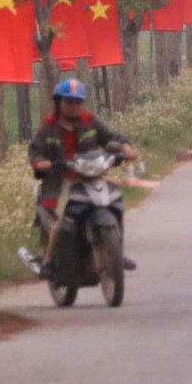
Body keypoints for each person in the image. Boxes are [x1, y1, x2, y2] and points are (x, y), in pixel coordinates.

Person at [29, 78, 138, 278]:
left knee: (115, 207)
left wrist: (126, 149)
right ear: (58, 102)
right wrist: (42, 163)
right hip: (63, 182)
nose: (74, 106)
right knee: (61, 219)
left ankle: (117, 254)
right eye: (69, 102)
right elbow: (35, 152)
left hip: (92, 177)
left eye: (78, 102)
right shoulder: (48, 126)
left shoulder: (90, 121)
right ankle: (48, 261)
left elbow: (112, 137)